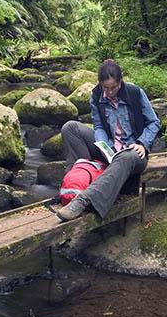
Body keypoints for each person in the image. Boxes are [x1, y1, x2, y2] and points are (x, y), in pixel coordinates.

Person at [55, 59, 161, 221]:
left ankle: (83, 199)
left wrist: (142, 143)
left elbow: (154, 122)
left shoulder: (135, 93)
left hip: (133, 154)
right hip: (110, 151)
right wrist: (103, 145)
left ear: (121, 82)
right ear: (100, 84)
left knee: (126, 156)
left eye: (114, 88)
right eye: (106, 88)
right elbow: (98, 126)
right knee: (70, 128)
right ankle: (75, 184)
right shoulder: (97, 96)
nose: (110, 92)